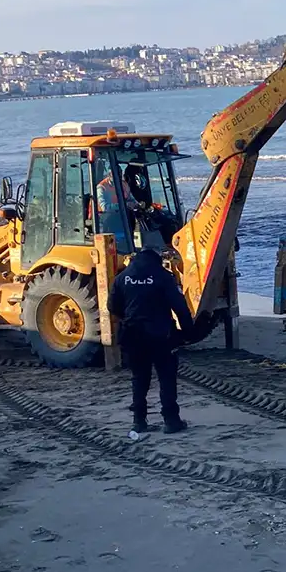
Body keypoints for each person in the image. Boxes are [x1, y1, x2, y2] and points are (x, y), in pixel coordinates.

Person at [108, 248, 195, 434]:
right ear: (157, 261)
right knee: (166, 378)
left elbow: (112, 306)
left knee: (139, 378)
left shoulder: (122, 278)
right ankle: (171, 421)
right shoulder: (163, 277)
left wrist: (128, 318)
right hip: (161, 335)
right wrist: (188, 333)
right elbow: (180, 307)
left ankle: (139, 421)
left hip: (133, 335)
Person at [95, 164, 137, 250]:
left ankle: (130, 245)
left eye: (120, 173)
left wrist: (137, 204)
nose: (119, 176)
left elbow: (131, 199)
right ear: (109, 174)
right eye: (116, 173)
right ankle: (120, 246)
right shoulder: (102, 187)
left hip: (121, 215)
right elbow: (105, 207)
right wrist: (123, 205)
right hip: (104, 217)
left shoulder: (124, 184)